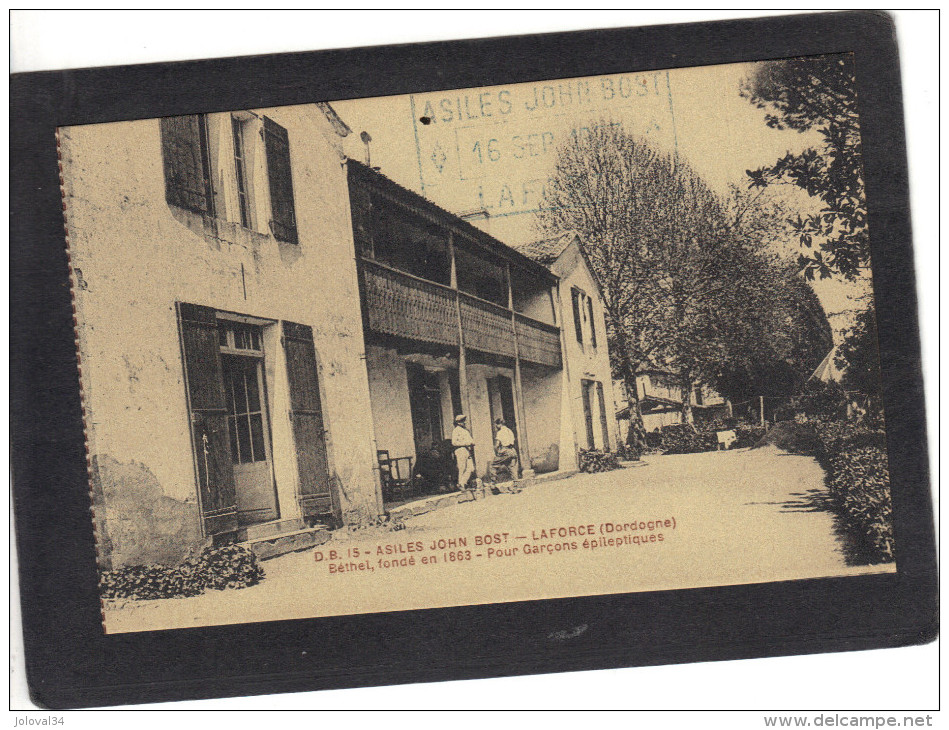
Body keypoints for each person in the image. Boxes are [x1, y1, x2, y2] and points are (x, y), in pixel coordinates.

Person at [489, 418, 519, 484]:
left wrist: (497, 453)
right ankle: (516, 486)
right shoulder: (509, 430)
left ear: (499, 424)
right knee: (512, 468)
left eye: (496, 425)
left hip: (505, 450)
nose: (496, 426)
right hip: (512, 450)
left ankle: (492, 482)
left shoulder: (500, 432)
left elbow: (497, 445)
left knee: (493, 465)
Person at [451, 414, 475, 490]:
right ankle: (461, 484)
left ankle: (462, 482)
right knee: (462, 467)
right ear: (458, 422)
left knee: (471, 468)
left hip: (467, 450)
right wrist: (465, 443)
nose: (464, 422)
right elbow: (454, 443)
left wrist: (472, 443)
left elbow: (470, 440)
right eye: (463, 421)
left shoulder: (465, 430)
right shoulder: (456, 430)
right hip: (460, 450)